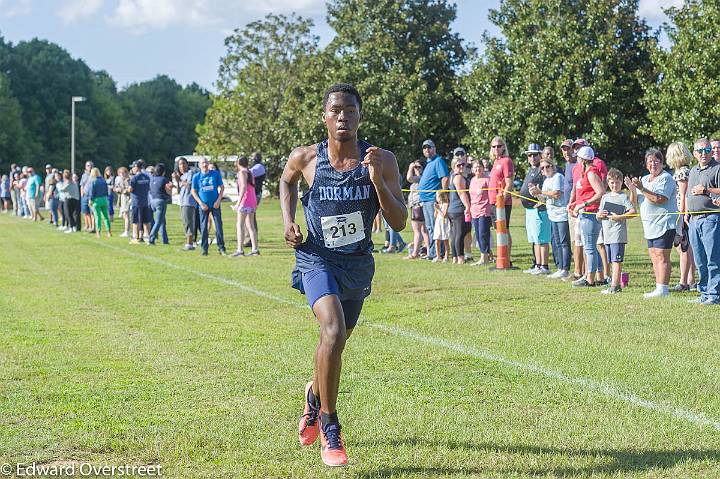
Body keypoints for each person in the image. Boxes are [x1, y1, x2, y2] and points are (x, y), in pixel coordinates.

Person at [279, 83, 406, 467]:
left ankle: (313, 397)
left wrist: (377, 183)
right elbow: (286, 181)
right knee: (331, 331)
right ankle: (330, 428)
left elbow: (398, 222)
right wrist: (289, 221)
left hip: (356, 263)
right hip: (316, 258)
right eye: (335, 110)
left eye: (350, 110)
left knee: (337, 342)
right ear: (325, 117)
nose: (342, 117)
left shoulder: (381, 160)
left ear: (359, 116)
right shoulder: (306, 158)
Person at [626, 148, 677, 299]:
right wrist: (632, 189)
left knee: (662, 255)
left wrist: (641, 188)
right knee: (654, 255)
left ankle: (664, 289)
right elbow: (634, 202)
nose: (653, 164)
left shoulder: (666, 178)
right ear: (646, 164)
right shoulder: (645, 178)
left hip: (664, 223)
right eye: (650, 161)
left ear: (662, 163)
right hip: (649, 225)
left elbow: (659, 199)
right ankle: (658, 287)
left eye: (656, 161)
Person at [686, 138, 720, 305]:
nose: (704, 154)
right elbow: (688, 194)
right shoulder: (693, 171)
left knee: (712, 259)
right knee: (699, 260)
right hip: (693, 220)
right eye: (700, 151)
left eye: (707, 150)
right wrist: (686, 214)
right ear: (695, 154)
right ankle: (704, 293)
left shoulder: (717, 168)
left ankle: (714, 295)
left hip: (711, 219)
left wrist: (706, 190)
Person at [569, 146, 606, 287]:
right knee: (591, 247)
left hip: (590, 214)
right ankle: (599, 276)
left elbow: (600, 192)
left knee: (589, 248)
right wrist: (574, 204)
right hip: (585, 213)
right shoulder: (586, 173)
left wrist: (583, 204)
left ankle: (590, 279)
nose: (576, 160)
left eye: (578, 157)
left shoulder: (591, 173)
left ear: (583, 160)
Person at [596, 168, 636, 294]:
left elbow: (633, 212)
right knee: (610, 260)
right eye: (612, 182)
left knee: (616, 261)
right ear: (608, 183)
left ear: (621, 183)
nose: (614, 185)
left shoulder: (623, 197)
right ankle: (614, 283)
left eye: (617, 182)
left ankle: (615, 286)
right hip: (606, 234)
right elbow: (598, 214)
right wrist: (599, 214)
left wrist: (619, 217)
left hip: (617, 234)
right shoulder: (605, 197)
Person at [531, 156, 569, 279]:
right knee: (556, 242)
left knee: (563, 243)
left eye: (548, 166)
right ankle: (559, 267)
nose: (545, 169)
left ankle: (565, 269)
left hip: (562, 214)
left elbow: (557, 194)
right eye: (543, 168)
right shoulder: (546, 181)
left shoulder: (558, 177)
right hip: (552, 215)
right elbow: (544, 199)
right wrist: (536, 193)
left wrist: (540, 192)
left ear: (553, 166)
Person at [665, 142, 697, 292]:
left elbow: (683, 196)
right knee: (686, 248)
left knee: (683, 247)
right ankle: (690, 279)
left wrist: (682, 216)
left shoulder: (682, 172)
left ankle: (685, 281)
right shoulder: (686, 170)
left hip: (680, 212)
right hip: (681, 212)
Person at [520, 143, 550, 274]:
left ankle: (544, 266)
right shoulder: (531, 169)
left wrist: (540, 200)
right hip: (530, 210)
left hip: (539, 209)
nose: (532, 157)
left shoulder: (542, 169)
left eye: (535, 154)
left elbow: (546, 189)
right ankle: (537, 264)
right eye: (529, 155)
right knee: (534, 239)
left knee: (541, 238)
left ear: (540, 155)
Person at [418, 139, 449, 260]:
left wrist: (442, 197)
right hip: (425, 200)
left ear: (434, 149)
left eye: (429, 147)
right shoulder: (429, 162)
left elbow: (445, 178)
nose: (427, 150)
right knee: (430, 227)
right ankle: (432, 252)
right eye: (425, 148)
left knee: (434, 228)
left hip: (432, 200)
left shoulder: (438, 161)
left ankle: (436, 253)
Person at [191, 157, 226, 256]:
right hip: (203, 206)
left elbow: (222, 187)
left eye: (206, 163)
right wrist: (201, 203)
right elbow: (193, 191)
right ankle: (204, 249)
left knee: (218, 226)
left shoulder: (215, 174)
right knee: (204, 227)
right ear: (199, 165)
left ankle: (221, 248)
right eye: (202, 163)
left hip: (215, 204)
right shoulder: (196, 177)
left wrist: (218, 200)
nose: (205, 165)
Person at [488, 136, 515, 262]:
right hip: (493, 202)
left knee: (504, 229)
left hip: (502, 202)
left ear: (503, 147)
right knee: (498, 230)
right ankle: (502, 256)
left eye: (499, 146)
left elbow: (509, 184)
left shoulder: (506, 161)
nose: (496, 148)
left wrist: (502, 202)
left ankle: (506, 259)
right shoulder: (495, 162)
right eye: (493, 146)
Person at [231, 156, 259, 256]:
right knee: (250, 225)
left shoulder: (242, 173)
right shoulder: (250, 172)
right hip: (252, 200)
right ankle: (255, 249)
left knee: (240, 224)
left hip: (245, 200)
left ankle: (240, 250)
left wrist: (238, 203)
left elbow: (243, 187)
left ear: (238, 163)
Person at [448, 155, 471, 264]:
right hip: (458, 209)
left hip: (453, 209)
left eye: (463, 164)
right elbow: (462, 193)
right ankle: (460, 257)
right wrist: (467, 206)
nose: (461, 166)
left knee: (455, 234)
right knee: (460, 234)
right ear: (453, 167)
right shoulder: (459, 177)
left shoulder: (452, 176)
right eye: (458, 165)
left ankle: (455, 257)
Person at [405, 160, 429, 259]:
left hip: (418, 206)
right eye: (416, 167)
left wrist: (411, 166)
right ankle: (428, 251)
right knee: (424, 230)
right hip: (417, 206)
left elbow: (409, 178)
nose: (417, 169)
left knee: (418, 231)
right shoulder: (420, 178)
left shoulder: (421, 178)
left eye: (419, 167)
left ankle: (415, 253)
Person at [469, 159, 492, 265]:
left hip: (484, 210)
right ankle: (485, 255)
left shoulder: (487, 180)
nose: (477, 168)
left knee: (483, 233)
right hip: (474, 210)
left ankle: (484, 257)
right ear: (472, 169)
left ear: (483, 168)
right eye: (475, 167)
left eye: (479, 166)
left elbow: (492, 194)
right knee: (477, 235)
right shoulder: (472, 180)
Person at [174, 157, 198, 250]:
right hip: (183, 201)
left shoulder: (190, 173)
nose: (182, 166)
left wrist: (179, 179)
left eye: (183, 163)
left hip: (189, 201)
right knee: (185, 222)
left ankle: (190, 243)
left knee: (188, 222)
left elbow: (190, 186)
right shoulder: (182, 176)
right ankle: (189, 242)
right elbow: (179, 191)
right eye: (180, 164)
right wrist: (176, 181)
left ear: (187, 164)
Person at [128, 160, 152, 244]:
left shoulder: (134, 178)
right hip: (145, 201)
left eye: (133, 167)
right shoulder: (146, 177)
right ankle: (148, 237)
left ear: (136, 167)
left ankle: (136, 237)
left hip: (136, 201)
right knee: (146, 220)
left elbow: (130, 189)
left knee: (136, 221)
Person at [148, 163, 172, 245]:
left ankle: (165, 240)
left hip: (152, 201)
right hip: (160, 201)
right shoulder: (164, 179)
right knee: (158, 222)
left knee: (162, 221)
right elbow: (169, 188)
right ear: (163, 171)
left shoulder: (152, 179)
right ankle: (151, 238)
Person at [87, 167, 112, 238]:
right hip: (104, 199)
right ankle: (109, 232)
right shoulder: (103, 180)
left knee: (97, 217)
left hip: (96, 200)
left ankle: (98, 232)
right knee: (106, 217)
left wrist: (90, 200)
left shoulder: (93, 181)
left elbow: (91, 192)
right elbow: (106, 191)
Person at [247, 152, 266, 244]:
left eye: (254, 157)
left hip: (255, 194)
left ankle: (251, 239)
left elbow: (248, 174)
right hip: (252, 194)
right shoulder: (256, 166)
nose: (253, 159)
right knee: (248, 216)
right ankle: (249, 239)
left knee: (250, 216)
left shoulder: (259, 167)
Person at [433, 190, 450, 263]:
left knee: (445, 240)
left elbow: (444, 215)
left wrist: (438, 209)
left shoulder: (446, 204)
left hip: (444, 223)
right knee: (437, 240)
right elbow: (435, 216)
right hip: (438, 223)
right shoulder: (438, 205)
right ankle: (438, 256)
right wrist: (435, 210)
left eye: (437, 196)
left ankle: (446, 256)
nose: (436, 198)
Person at [114, 167, 131, 237]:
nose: (121, 174)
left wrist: (123, 190)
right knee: (124, 215)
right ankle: (127, 230)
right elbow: (115, 188)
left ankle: (127, 231)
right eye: (120, 173)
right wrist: (116, 189)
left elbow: (130, 189)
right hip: (122, 198)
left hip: (127, 198)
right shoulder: (119, 179)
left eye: (123, 173)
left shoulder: (128, 180)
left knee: (126, 215)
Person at [80, 161, 94, 232]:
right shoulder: (84, 175)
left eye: (91, 165)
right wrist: (82, 193)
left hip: (92, 196)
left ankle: (92, 226)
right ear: (85, 167)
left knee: (91, 212)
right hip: (85, 195)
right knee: (85, 212)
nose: (89, 167)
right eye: (88, 165)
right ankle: (87, 225)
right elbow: (82, 185)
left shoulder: (94, 175)